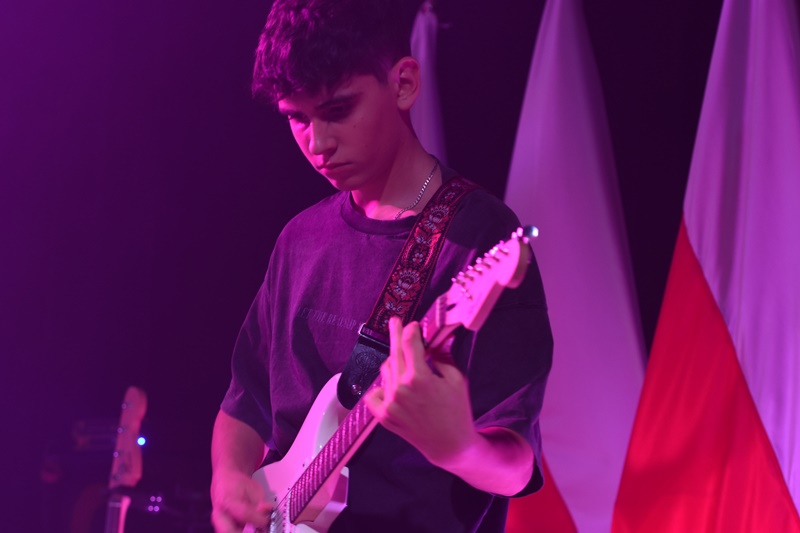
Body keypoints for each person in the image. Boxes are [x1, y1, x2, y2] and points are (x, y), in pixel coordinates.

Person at [210, 1, 553, 531]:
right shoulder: (300, 239)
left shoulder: (479, 239)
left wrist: (460, 448)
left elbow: (517, 465)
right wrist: (229, 478)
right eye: (297, 118)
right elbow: (243, 403)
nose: (318, 143)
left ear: (404, 84)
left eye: (338, 110)